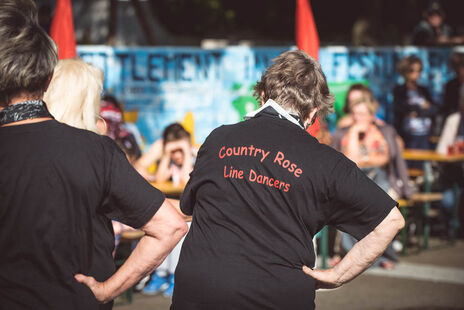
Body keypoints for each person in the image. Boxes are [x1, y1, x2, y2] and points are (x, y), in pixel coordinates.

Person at [171, 50, 405, 310]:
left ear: (262, 96)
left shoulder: (218, 140)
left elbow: (188, 208)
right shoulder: (327, 162)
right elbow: (390, 222)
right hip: (276, 296)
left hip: (199, 295)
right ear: (313, 114)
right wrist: (337, 276)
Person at [0, 3, 187, 309]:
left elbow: (171, 226)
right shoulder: (95, 150)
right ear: (47, 80)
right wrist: (108, 289)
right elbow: (171, 226)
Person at [332, 87, 412, 269]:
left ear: (371, 114)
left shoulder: (383, 132)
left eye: (362, 114)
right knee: (349, 204)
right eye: (355, 114)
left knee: (379, 208)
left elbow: (385, 158)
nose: (358, 118)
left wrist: (406, 188)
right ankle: (351, 255)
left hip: (381, 179)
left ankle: (382, 256)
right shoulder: (345, 132)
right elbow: (350, 160)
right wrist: (354, 132)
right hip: (354, 180)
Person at [393, 55, 437, 150]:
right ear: (405, 72)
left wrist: (417, 111)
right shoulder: (400, 91)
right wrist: (422, 108)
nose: (416, 74)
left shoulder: (424, 90)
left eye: (419, 71)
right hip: (408, 135)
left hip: (424, 134)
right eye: (412, 71)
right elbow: (403, 109)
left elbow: (433, 109)